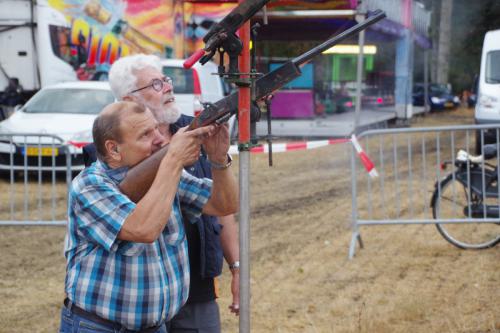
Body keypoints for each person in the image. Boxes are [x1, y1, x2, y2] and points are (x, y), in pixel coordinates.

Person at [82, 54, 240, 332]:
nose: (159, 139)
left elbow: (224, 204)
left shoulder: (173, 152)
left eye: (166, 80)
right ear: (113, 148)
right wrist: (173, 160)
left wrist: (218, 160)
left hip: (170, 309)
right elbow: (143, 229)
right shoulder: (91, 183)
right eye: (156, 84)